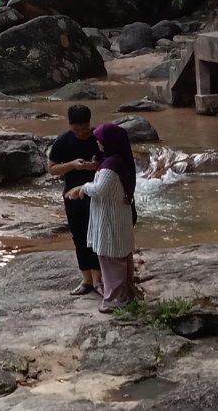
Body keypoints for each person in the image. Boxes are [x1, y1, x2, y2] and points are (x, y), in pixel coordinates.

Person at [65, 122, 137, 313]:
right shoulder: (121, 160)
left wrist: (82, 188)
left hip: (110, 219)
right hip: (119, 215)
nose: (98, 144)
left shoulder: (110, 168)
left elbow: (100, 189)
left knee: (111, 260)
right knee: (122, 259)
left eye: (100, 141)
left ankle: (115, 300)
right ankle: (128, 295)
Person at [47, 105, 103, 296]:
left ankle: (98, 280)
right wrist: (72, 165)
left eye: (84, 129)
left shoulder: (99, 137)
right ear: (70, 125)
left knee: (96, 236)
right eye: (76, 130)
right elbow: (52, 168)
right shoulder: (64, 140)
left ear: (90, 123)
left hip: (97, 194)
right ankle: (86, 279)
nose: (80, 133)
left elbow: (112, 163)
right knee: (78, 236)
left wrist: (96, 167)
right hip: (71, 195)